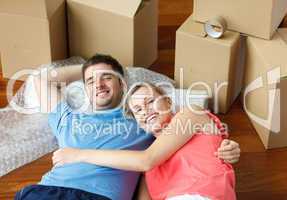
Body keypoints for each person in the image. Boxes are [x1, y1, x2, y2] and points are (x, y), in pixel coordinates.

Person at [15, 54, 240, 200]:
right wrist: (87, 69)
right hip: (47, 191)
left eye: (107, 78)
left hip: (98, 196)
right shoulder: (69, 119)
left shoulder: (141, 122)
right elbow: (39, 80)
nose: (99, 84)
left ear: (122, 83)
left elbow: (158, 153)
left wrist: (224, 144)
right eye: (91, 82)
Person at [53, 82, 238, 200]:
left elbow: (146, 160)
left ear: (168, 102)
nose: (146, 111)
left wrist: (78, 154)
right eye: (138, 110)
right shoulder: (147, 170)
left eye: (150, 102)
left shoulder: (191, 114)